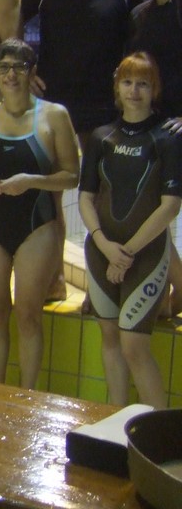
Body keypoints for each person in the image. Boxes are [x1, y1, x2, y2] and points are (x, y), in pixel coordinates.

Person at [0, 40, 79, 388]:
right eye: (4, 67)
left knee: (29, 315)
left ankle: (27, 396)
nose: (11, 74)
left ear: (33, 73)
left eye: (20, 67)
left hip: (37, 226)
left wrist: (32, 181)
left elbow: (72, 176)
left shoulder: (55, 115)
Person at [79, 53, 179, 408]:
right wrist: (105, 245)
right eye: (127, 83)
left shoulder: (167, 138)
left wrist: (127, 253)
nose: (134, 91)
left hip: (145, 254)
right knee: (109, 337)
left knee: (134, 345)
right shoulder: (101, 137)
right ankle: (118, 420)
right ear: (117, 88)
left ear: (155, 90)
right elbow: (85, 199)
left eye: (143, 84)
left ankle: (160, 433)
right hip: (102, 251)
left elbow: (170, 206)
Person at [21, 0, 145, 137]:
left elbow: (142, 40)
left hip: (110, 105)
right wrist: (24, 69)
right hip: (53, 102)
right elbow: (8, 28)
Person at [130, 0, 182, 315]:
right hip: (153, 128)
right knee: (150, 214)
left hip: (176, 129)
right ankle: (171, 286)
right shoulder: (141, 15)